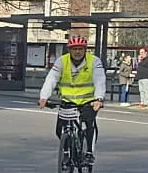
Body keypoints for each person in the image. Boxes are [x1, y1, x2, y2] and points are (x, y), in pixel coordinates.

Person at [38, 29, 105, 163]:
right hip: (67, 101)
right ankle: (68, 152)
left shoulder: (94, 61)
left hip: (88, 101)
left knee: (89, 125)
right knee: (59, 130)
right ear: (69, 50)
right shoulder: (62, 61)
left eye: (80, 49)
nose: (77, 52)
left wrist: (99, 98)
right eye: (74, 49)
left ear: (85, 49)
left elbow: (99, 80)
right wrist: (44, 97)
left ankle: (89, 153)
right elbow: (51, 79)